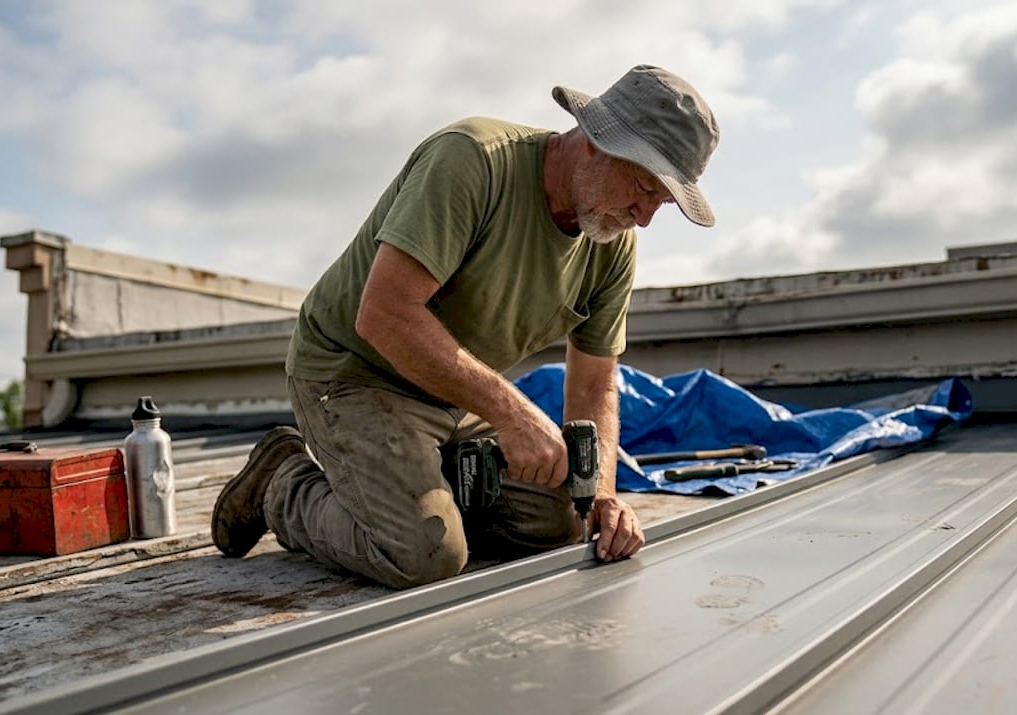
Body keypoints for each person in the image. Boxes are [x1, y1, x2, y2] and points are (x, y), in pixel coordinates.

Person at [211, 64, 720, 589]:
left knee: (565, 521)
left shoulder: (612, 243)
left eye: (660, 201)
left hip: (452, 395)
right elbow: (384, 314)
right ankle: (283, 481)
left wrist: (606, 497)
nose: (644, 217)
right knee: (423, 554)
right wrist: (513, 414)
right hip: (354, 374)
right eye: (642, 186)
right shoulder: (474, 160)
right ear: (596, 140)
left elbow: (594, 383)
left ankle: (420, 485)